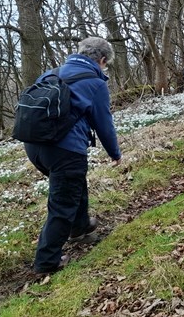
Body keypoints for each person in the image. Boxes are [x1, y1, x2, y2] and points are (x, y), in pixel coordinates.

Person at [25, 36, 122, 275]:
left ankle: (80, 229)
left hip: (34, 146)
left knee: (72, 184)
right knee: (63, 202)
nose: (104, 68)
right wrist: (115, 153)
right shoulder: (95, 82)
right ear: (101, 60)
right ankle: (46, 263)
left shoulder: (51, 73)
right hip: (64, 149)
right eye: (105, 64)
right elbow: (103, 123)